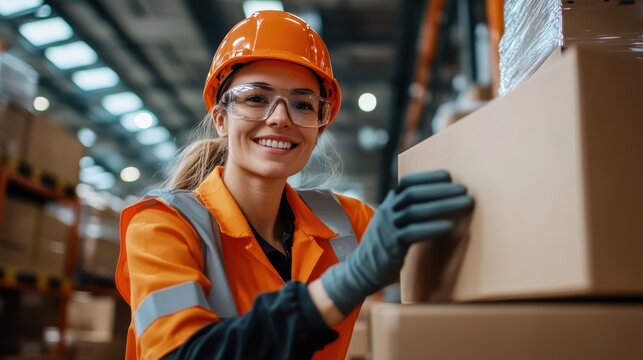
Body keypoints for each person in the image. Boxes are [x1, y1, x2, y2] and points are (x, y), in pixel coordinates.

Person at [115, 10, 473, 360]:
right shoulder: (161, 227)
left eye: (302, 104)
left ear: (320, 125)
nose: (280, 119)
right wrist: (346, 283)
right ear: (221, 119)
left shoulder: (344, 222)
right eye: (256, 98)